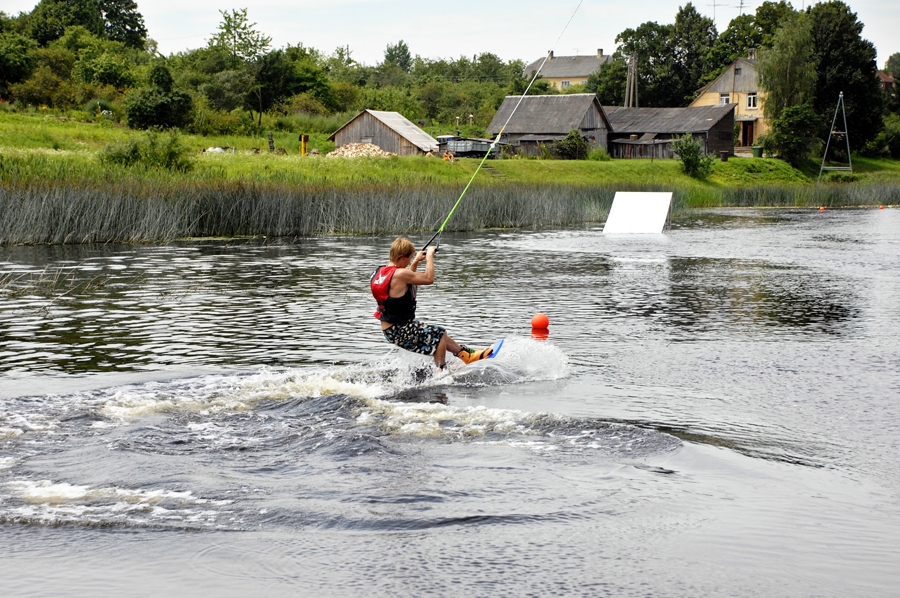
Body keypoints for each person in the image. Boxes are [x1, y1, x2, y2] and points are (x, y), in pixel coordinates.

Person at [371, 237, 492, 369]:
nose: (409, 262)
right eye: (409, 259)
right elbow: (428, 279)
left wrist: (416, 260)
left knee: (442, 335)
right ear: (402, 258)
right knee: (439, 335)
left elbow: (406, 279)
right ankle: (440, 372)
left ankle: (466, 355)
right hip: (398, 329)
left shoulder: (381, 271)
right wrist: (429, 256)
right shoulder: (400, 274)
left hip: (393, 328)